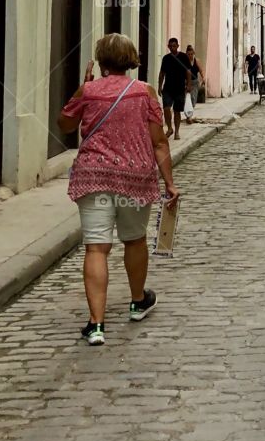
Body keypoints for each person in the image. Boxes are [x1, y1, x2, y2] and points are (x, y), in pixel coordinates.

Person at [59, 34, 179, 346]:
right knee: (135, 239)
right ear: (130, 59)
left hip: (94, 176)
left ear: (101, 61)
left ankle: (96, 324)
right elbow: (159, 142)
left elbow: (65, 124)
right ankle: (138, 301)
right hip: (134, 178)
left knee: (96, 248)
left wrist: (83, 88)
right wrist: (169, 182)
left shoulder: (88, 91)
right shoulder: (144, 92)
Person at [157, 37, 191, 141]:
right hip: (167, 88)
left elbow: (188, 72)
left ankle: (177, 132)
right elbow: (162, 73)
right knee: (166, 108)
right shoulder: (166, 58)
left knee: (177, 111)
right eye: (170, 46)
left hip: (180, 88)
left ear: (177, 46)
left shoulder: (183, 57)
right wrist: (159, 86)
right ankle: (169, 128)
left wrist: (189, 84)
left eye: (174, 46)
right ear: (168, 47)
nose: (172, 48)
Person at [184, 45, 204, 120]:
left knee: (193, 99)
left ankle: (189, 115)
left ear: (194, 53)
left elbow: (201, 70)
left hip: (194, 82)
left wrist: (203, 78)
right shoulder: (184, 62)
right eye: (188, 54)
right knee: (186, 99)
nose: (190, 56)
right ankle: (188, 115)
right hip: (186, 82)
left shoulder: (196, 61)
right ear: (186, 54)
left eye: (191, 54)